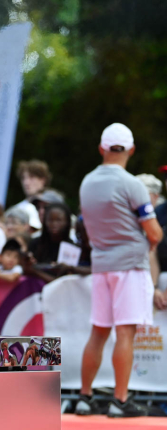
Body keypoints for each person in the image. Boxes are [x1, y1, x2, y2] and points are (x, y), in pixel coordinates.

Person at [76, 123, 163, 418]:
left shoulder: (86, 182)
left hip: (101, 266)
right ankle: (120, 400)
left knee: (98, 333)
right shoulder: (132, 184)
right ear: (131, 150)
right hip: (130, 267)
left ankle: (84, 397)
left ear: (101, 148)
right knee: (125, 333)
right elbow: (154, 233)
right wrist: (150, 241)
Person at [23, 203, 73, 283]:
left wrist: (36, 271)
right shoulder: (34, 243)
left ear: (67, 222)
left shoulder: (72, 247)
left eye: (58, 220)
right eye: (50, 220)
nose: (54, 224)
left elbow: (65, 281)